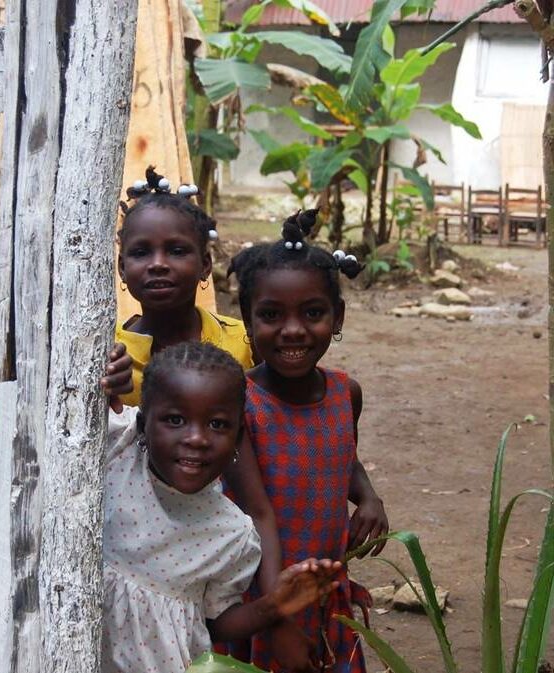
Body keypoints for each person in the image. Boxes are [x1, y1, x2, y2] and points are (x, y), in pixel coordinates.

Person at [102, 341, 341, 673]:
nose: (197, 438)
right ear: (143, 426)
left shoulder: (232, 534)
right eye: (174, 420)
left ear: (237, 438)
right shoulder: (118, 448)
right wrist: (107, 368)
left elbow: (214, 623)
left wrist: (272, 607)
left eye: (217, 425)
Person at [224, 210, 390, 673]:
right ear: (248, 320)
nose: (293, 330)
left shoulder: (344, 393)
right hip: (258, 593)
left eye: (312, 313)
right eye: (272, 315)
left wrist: (370, 498)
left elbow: (342, 456)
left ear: (337, 317)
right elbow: (256, 515)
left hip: (325, 588)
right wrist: (277, 615)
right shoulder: (239, 404)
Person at [114, 165, 252, 407]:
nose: (158, 264)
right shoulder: (109, 352)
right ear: (122, 268)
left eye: (177, 251)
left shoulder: (244, 342)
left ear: (205, 265)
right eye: (141, 252)